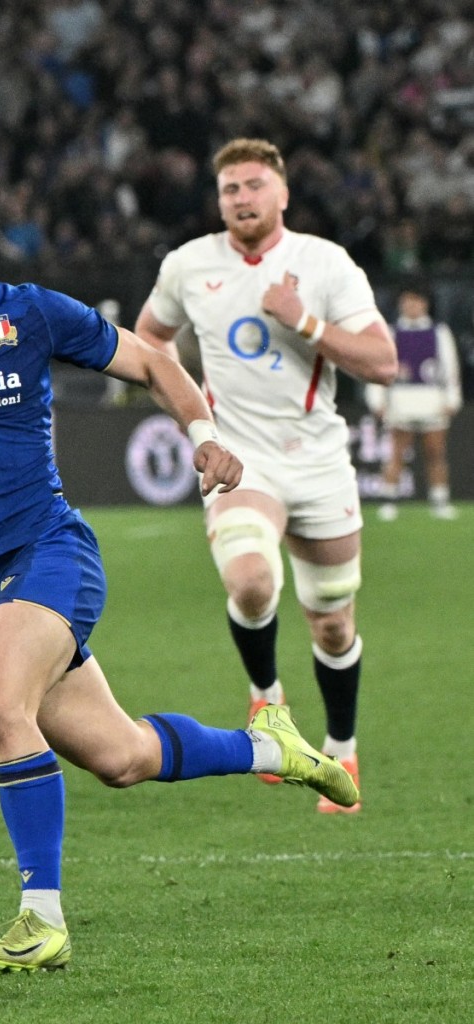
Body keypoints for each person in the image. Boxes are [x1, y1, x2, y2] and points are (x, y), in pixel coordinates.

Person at [0, 157, 358, 973]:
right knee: (121, 757)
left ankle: (41, 920)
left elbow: (154, 362)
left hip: (49, 552)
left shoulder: (30, 314)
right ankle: (275, 746)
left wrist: (204, 437)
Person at [135, 138, 398, 816]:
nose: (242, 199)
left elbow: (382, 360)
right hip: (241, 458)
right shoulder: (189, 265)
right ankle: (269, 701)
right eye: (230, 190)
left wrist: (305, 321)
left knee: (334, 626)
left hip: (317, 462)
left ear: (282, 194)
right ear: (218, 199)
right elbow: (149, 344)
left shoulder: (323, 263)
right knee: (250, 581)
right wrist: (196, 416)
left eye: (254, 185)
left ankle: (341, 749)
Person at [365, 281, 462, 521]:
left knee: (436, 452)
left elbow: (450, 368)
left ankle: (439, 500)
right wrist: (377, 400)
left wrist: (452, 398)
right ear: (401, 303)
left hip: (432, 401)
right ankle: (389, 501)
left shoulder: (439, 331)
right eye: (407, 300)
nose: (412, 305)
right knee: (397, 453)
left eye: (417, 300)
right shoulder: (391, 331)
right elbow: (379, 366)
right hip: (401, 401)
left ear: (425, 304)